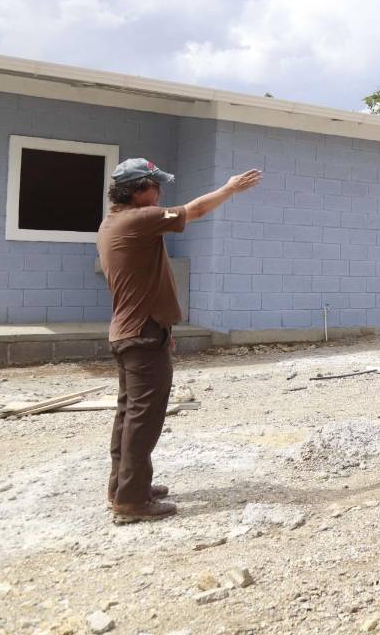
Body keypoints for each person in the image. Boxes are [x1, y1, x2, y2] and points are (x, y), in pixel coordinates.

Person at [97, 158, 262, 524]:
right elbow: (195, 210)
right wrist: (230, 188)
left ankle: (124, 486)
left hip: (134, 332)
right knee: (143, 419)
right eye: (156, 186)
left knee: (129, 415)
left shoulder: (114, 222)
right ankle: (132, 500)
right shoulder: (141, 219)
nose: (160, 193)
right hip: (141, 335)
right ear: (140, 189)